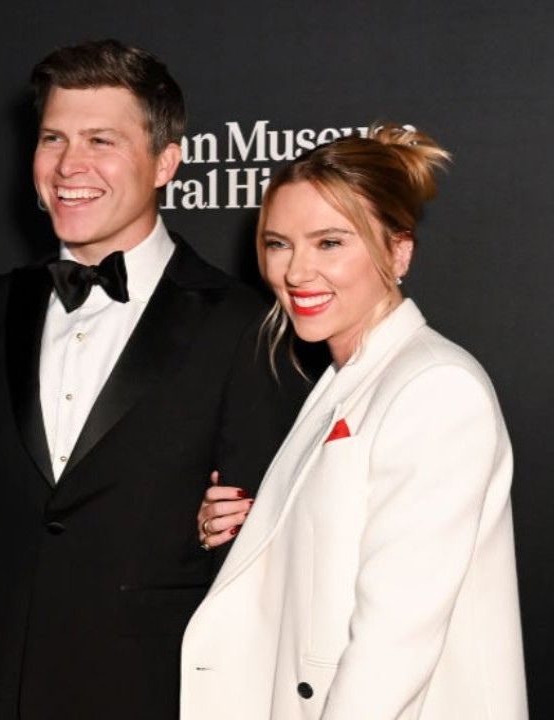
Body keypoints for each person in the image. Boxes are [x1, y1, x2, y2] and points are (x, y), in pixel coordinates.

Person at [0, 39, 304, 720]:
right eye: (53, 137)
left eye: (100, 140)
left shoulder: (242, 327)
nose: (68, 165)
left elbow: (261, 569)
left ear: (166, 161)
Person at [182, 125, 528, 719]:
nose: (296, 272)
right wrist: (254, 530)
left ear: (398, 251)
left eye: (330, 243)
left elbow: (394, 643)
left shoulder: (434, 387)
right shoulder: (346, 379)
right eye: (278, 243)